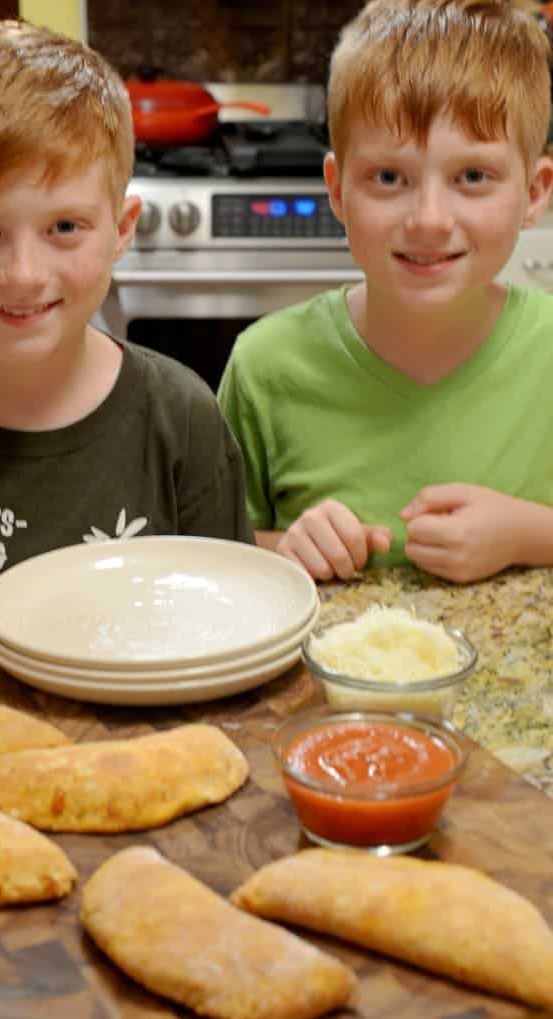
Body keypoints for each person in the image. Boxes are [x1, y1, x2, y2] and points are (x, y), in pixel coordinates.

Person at [0, 20, 253, 578]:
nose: (23, 275)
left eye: (65, 227)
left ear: (123, 229)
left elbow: (227, 623)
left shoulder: (184, 422)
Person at [218, 0, 553, 585]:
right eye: (388, 177)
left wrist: (525, 533)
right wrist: (282, 549)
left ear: (533, 192)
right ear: (338, 191)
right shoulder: (264, 368)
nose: (428, 219)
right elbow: (212, 550)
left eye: (472, 177)